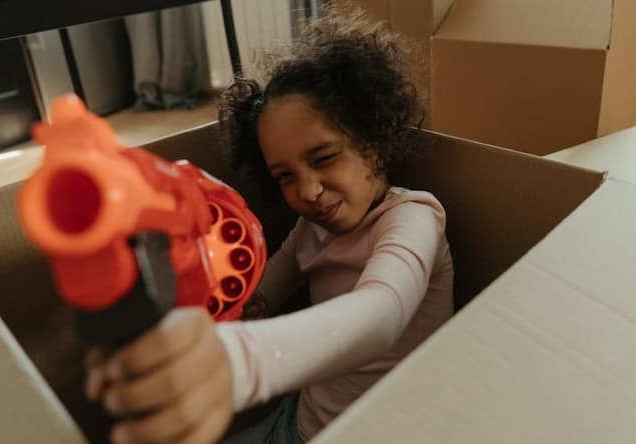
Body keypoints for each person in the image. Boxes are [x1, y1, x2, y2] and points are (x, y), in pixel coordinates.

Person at [84, 6, 454, 444]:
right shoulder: (310, 230)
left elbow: (381, 316)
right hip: (297, 420)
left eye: (324, 158)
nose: (309, 190)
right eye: (285, 176)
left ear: (376, 140)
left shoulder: (413, 216)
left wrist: (236, 363)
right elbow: (251, 300)